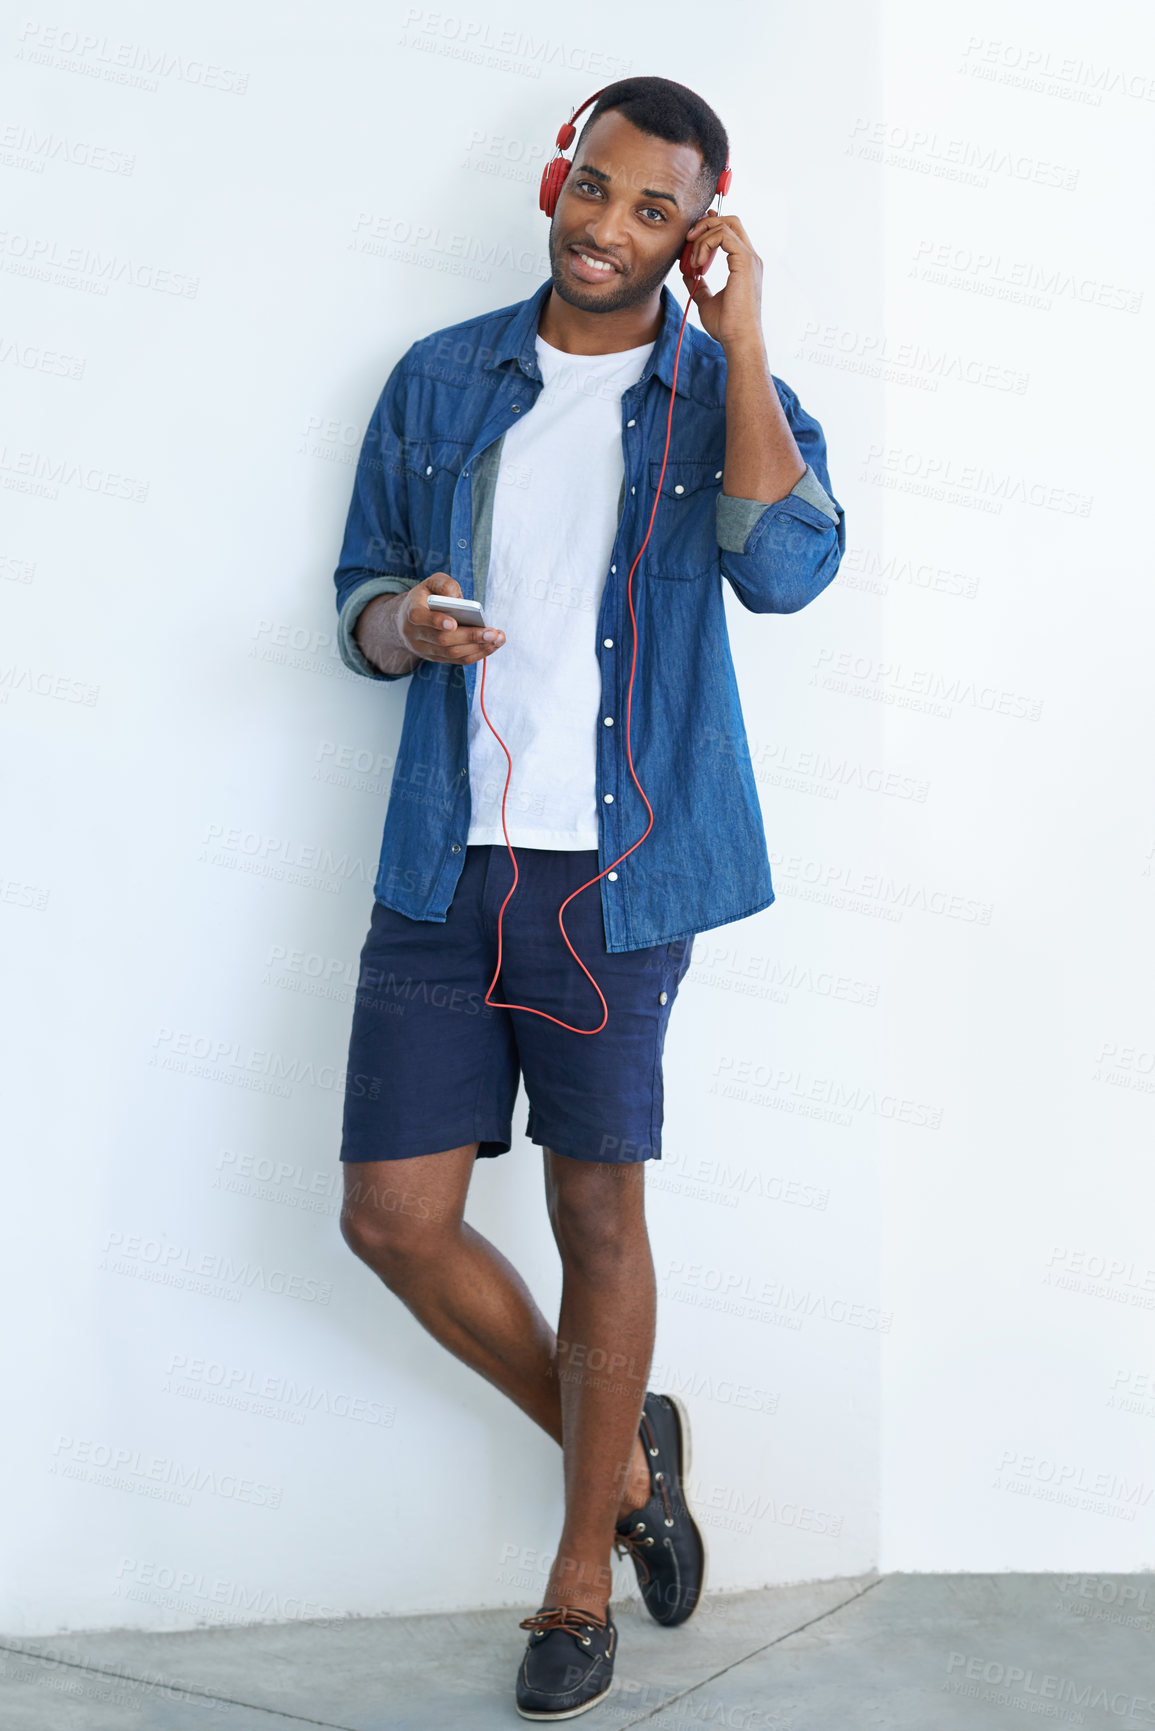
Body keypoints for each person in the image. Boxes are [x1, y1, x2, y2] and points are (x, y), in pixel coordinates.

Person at [330, 75, 844, 1721]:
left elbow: (784, 567)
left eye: (653, 210)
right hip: (444, 864)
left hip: (617, 883)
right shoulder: (438, 379)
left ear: (693, 232)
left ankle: (571, 1587)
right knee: (392, 1221)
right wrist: (407, 625)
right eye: (596, 188)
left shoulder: (717, 403)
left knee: (592, 1215)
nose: (608, 228)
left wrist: (743, 338)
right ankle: (627, 1468)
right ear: (561, 176)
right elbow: (352, 599)